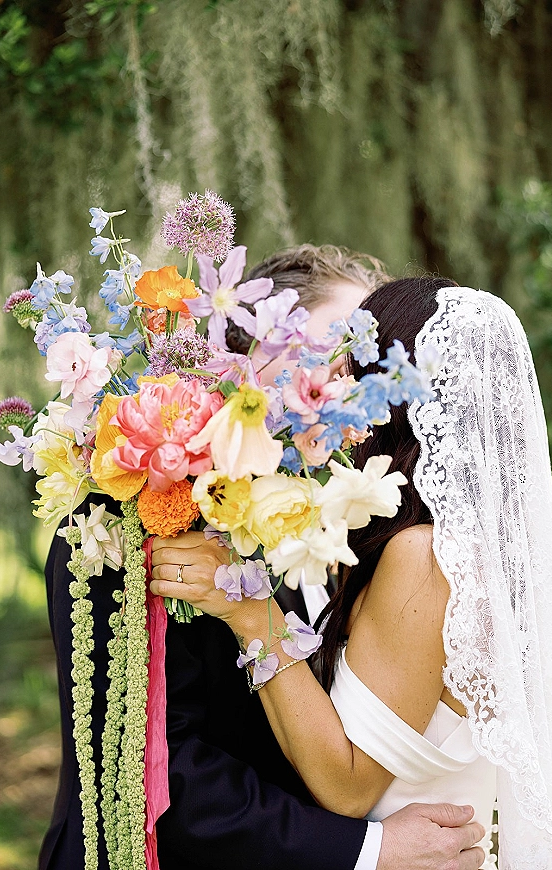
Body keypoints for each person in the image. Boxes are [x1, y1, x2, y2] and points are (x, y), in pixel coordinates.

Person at [39, 252, 486, 870]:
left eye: (359, 363)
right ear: (250, 351)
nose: (340, 386)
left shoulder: (352, 523)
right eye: (329, 351)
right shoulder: (123, 520)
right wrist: (368, 851)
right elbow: (153, 780)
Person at [150, 277, 552, 869]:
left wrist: (252, 613)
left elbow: (348, 787)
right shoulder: (491, 556)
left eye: (352, 368)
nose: (336, 389)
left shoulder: (426, 559)